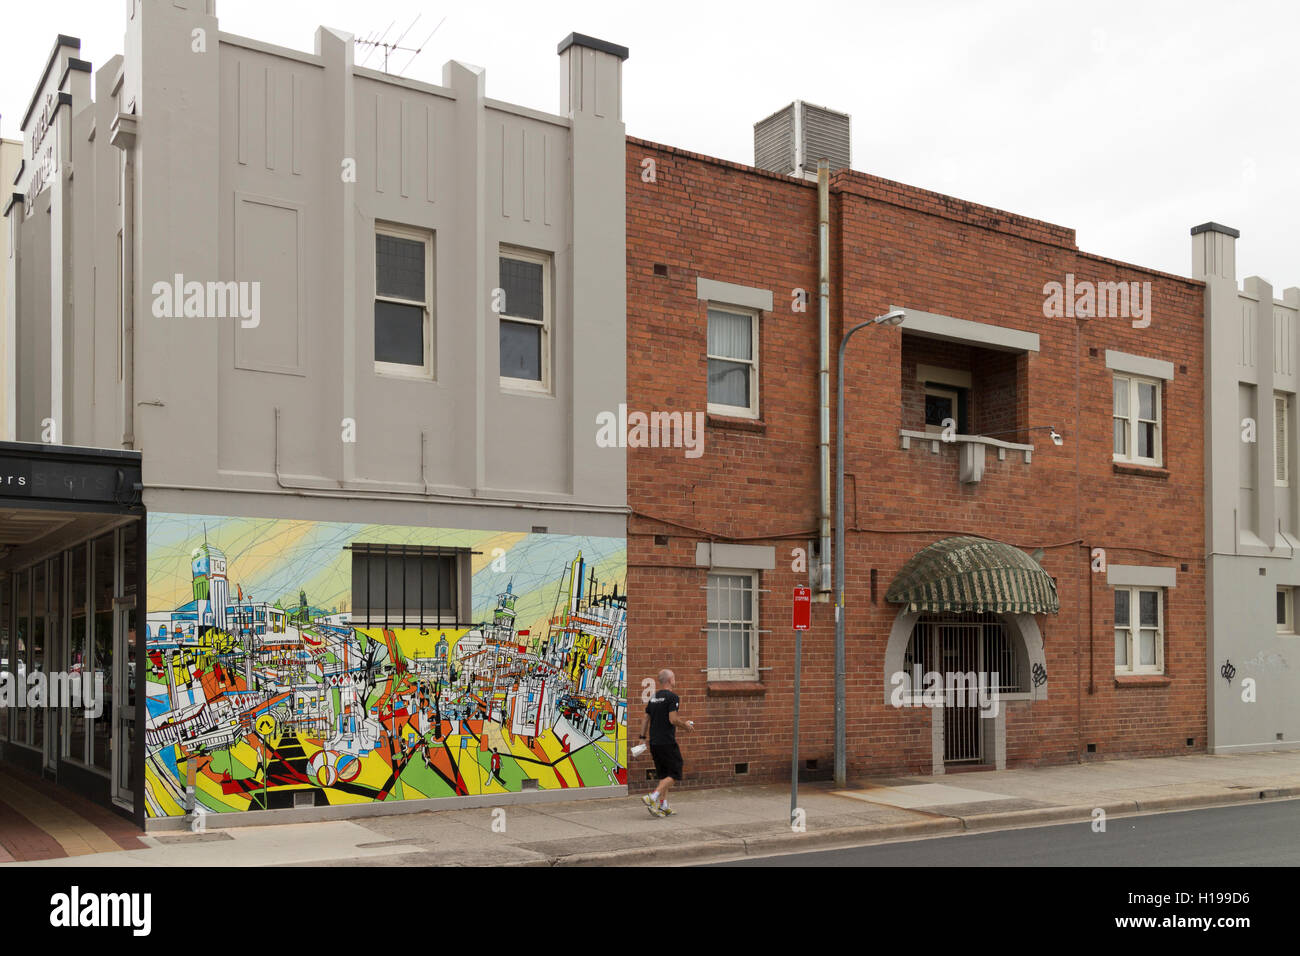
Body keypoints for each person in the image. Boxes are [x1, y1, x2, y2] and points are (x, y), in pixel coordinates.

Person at [639, 668, 696, 817]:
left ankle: (663, 805)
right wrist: (686, 726)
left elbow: (646, 719)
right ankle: (653, 797)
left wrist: (642, 738)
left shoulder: (653, 698)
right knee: (676, 771)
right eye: (674, 678)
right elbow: (673, 719)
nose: (675, 680)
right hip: (667, 742)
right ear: (670, 680)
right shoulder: (672, 697)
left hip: (654, 742)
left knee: (664, 775)